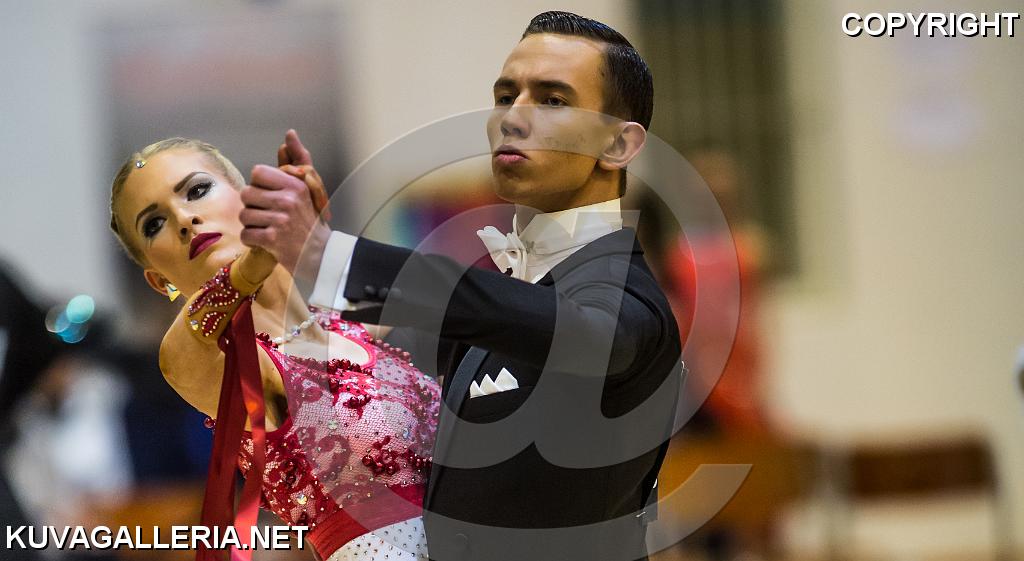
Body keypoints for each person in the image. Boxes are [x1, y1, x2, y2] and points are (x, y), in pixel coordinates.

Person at [242, 12, 683, 561]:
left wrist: (328, 253)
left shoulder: (629, 306)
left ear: (617, 144)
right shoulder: (500, 298)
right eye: (505, 96)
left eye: (552, 100)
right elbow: (355, 370)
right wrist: (264, 267)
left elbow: (549, 322)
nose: (512, 118)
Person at [108, 137, 440, 561]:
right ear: (159, 281)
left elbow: (461, 301)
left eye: (197, 190)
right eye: (154, 224)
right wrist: (260, 256)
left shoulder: (355, 326)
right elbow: (183, 345)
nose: (184, 219)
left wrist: (315, 238)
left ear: (249, 197)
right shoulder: (221, 363)